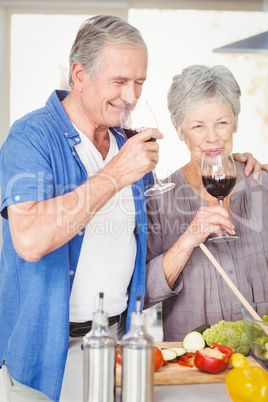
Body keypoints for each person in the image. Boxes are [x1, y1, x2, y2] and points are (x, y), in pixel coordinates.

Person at [0, 16, 264, 402]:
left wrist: (237, 163)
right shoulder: (30, 137)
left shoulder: (129, 142)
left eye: (139, 82)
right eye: (120, 82)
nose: (131, 96)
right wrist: (115, 173)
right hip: (45, 355)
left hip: (122, 348)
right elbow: (29, 240)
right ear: (79, 74)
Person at [144, 64, 268, 342]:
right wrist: (188, 240)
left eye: (222, 123)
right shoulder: (158, 201)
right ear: (179, 130)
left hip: (262, 361)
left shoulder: (263, 185)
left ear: (235, 122)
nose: (212, 137)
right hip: (193, 365)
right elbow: (142, 294)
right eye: (198, 126)